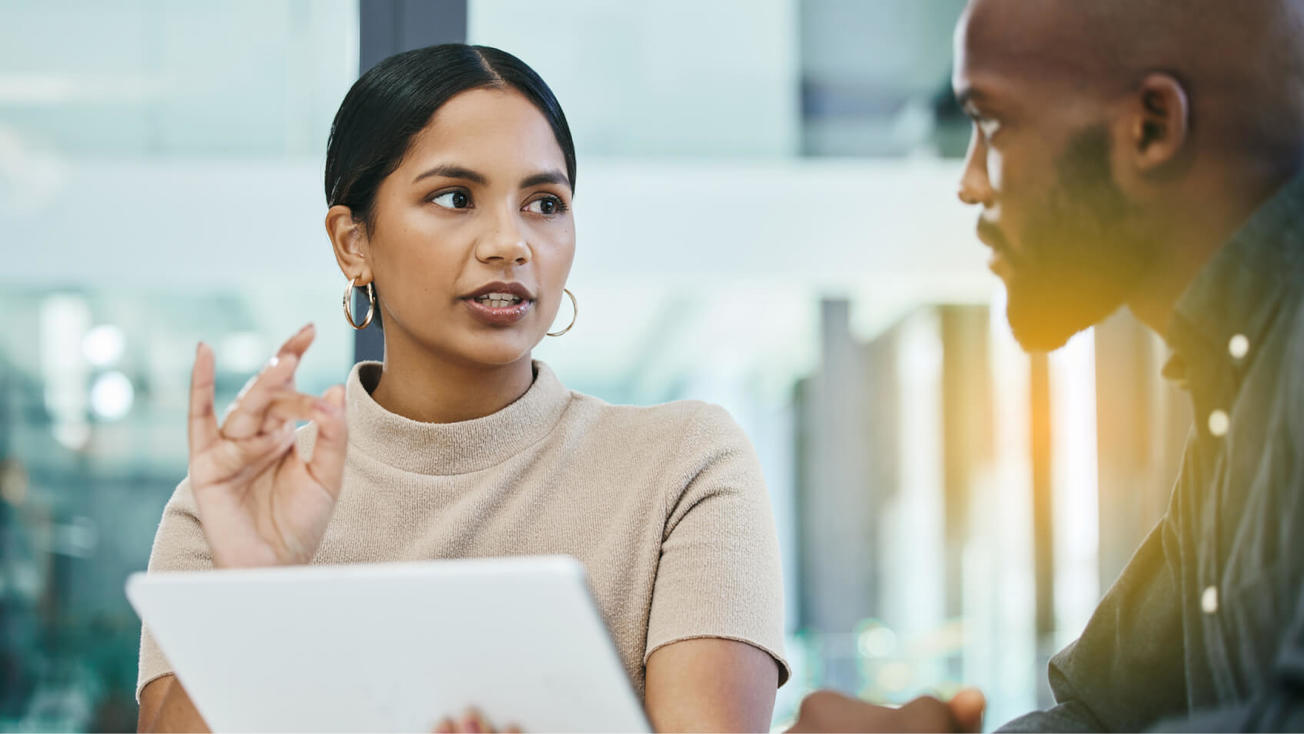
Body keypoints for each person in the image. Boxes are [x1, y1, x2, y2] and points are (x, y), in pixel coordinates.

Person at [135, 44, 788, 733]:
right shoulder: (237, 504)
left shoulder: (685, 466)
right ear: (353, 242)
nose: (510, 244)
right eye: (455, 197)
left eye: (544, 202)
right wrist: (252, 587)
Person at [789, 0, 1304, 731]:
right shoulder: (1236, 382)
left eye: (994, 124)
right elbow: (1104, 714)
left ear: (1151, 127)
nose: (970, 182)